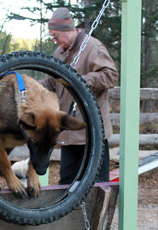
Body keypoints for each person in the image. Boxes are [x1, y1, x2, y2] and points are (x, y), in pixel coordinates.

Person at [41, 7, 119, 184]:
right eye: (52, 37)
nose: (55, 41)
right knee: (67, 182)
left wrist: (80, 81)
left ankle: (98, 213)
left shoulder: (93, 47)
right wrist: (30, 88)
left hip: (91, 130)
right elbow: (50, 82)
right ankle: (69, 213)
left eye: (56, 36)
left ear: (68, 30)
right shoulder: (60, 53)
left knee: (97, 183)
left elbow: (110, 75)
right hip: (69, 133)